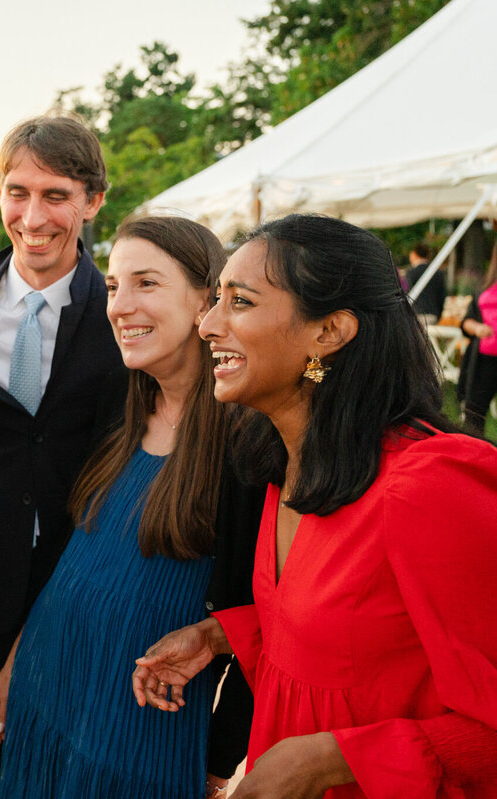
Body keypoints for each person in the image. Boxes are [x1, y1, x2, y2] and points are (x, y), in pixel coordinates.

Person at [134, 214, 497, 798]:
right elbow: (354, 637)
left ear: (330, 331)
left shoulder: (429, 485)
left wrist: (332, 760)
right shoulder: (286, 465)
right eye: (216, 299)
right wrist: (219, 636)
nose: (207, 324)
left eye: (240, 302)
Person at [0, 216, 261, 797]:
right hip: (48, 692)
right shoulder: (118, 405)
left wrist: (219, 758)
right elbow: (71, 555)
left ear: (206, 299)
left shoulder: (247, 444)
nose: (120, 306)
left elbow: (263, 619)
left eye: (146, 283)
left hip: (144, 730)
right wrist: (16, 660)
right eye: (113, 286)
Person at [0, 113, 127, 797]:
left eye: (56, 195)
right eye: (18, 192)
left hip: (76, 592)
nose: (33, 216)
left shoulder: (120, 312)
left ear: (93, 201)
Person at [460, 244, 497, 437]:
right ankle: (475, 450)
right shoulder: (485, 285)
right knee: (474, 413)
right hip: (483, 359)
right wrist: (477, 328)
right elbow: (467, 321)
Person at [404, 242, 446, 322]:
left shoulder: (411, 272)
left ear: (414, 254)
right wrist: (438, 315)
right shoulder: (438, 273)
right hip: (432, 314)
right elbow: (442, 296)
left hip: (415, 315)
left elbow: (406, 294)